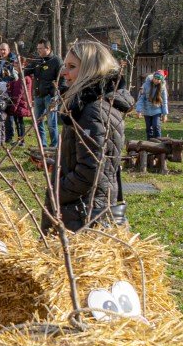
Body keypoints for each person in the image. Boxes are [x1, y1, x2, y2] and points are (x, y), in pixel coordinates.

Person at [49, 40, 131, 231]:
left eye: (72, 67)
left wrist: (56, 190)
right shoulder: (91, 106)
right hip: (88, 207)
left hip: (84, 214)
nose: (63, 73)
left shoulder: (91, 111)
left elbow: (90, 172)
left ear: (90, 70)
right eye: (64, 66)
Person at [27, 41, 64, 147]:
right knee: (38, 122)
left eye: (40, 48)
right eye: (37, 48)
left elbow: (62, 80)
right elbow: (27, 71)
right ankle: (42, 145)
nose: (38, 50)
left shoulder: (56, 61)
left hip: (50, 97)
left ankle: (54, 146)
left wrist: (55, 93)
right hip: (38, 96)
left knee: (51, 123)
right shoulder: (37, 60)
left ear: (48, 48)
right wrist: (17, 70)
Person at [134, 69, 169, 138]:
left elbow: (164, 101)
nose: (156, 80)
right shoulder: (145, 85)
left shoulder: (162, 88)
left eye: (158, 79)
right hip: (146, 110)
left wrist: (165, 114)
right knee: (149, 128)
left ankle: (158, 142)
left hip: (157, 110)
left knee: (156, 126)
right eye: (155, 78)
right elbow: (141, 99)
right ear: (153, 77)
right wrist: (138, 110)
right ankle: (149, 144)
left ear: (161, 80)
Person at [6, 72, 33, 144]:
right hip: (20, 103)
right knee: (18, 122)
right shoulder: (23, 79)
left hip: (20, 104)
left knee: (19, 121)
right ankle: (20, 139)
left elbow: (18, 94)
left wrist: (14, 106)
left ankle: (21, 140)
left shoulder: (22, 80)